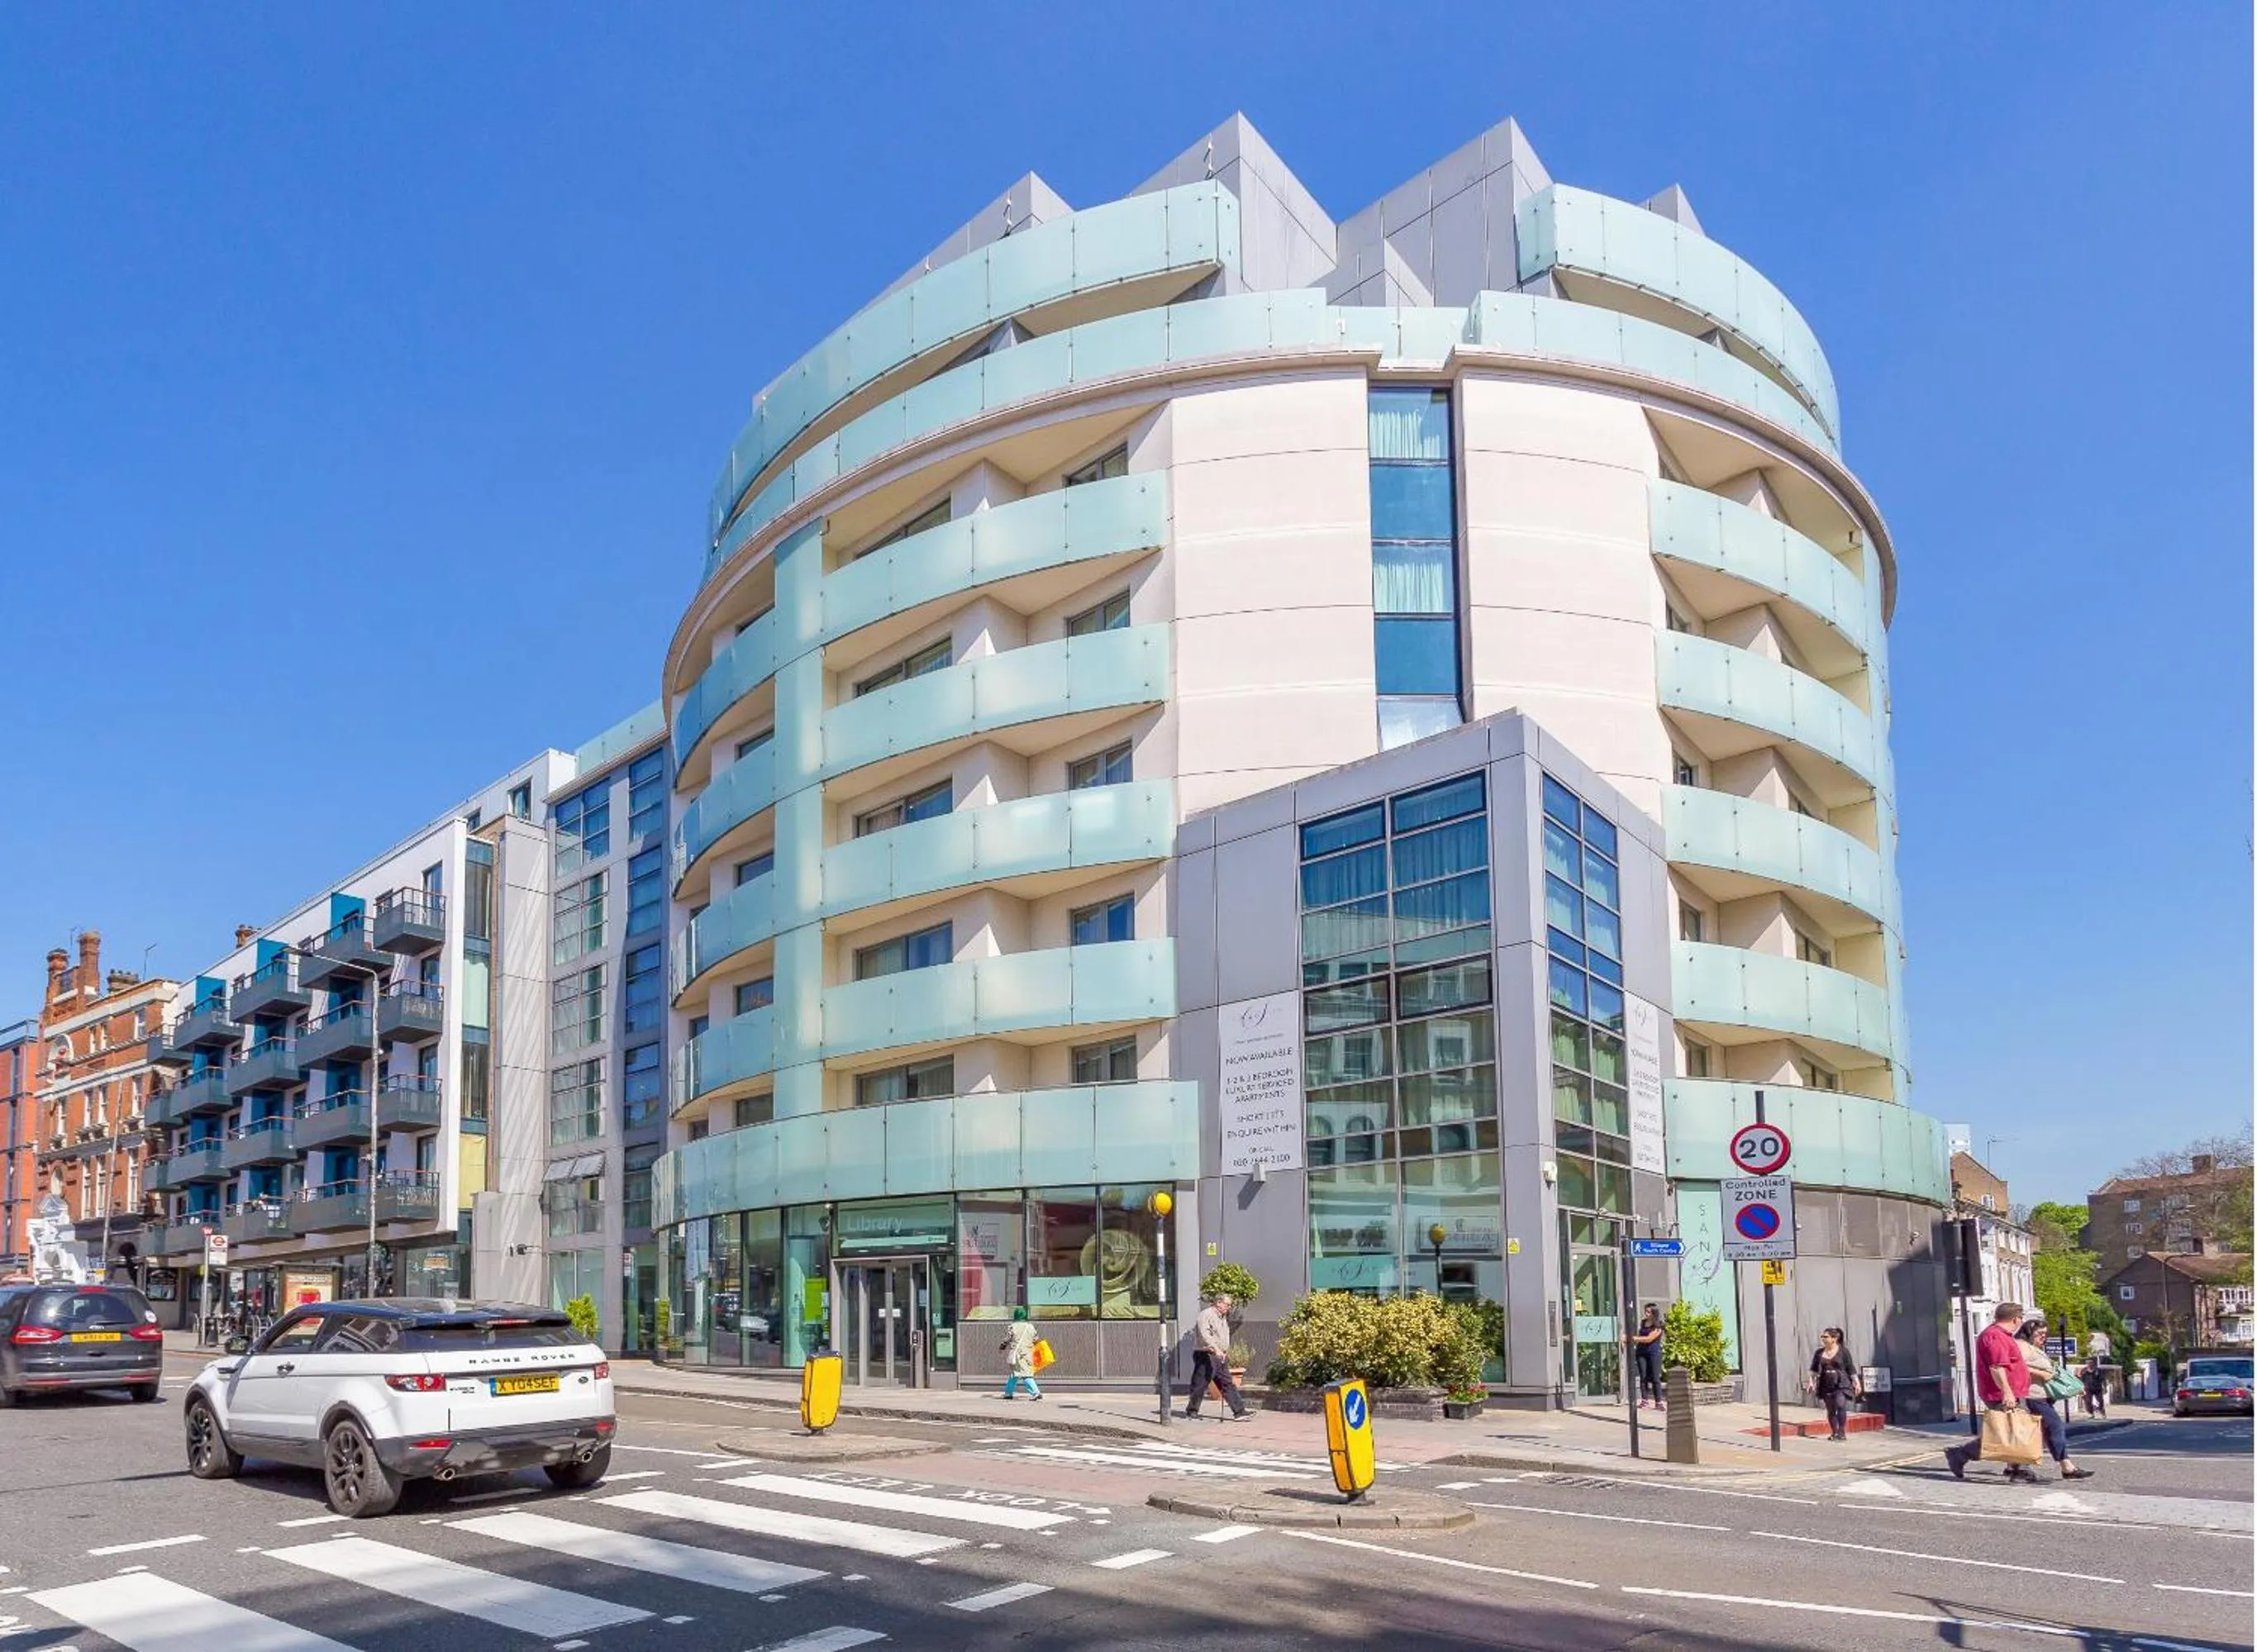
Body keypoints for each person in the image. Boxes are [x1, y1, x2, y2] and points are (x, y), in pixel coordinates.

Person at [1945, 1300, 2034, 1482]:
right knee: (2010, 1432)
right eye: (2021, 1318)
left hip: (2008, 1392)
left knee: (2009, 1432)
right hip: (2001, 1394)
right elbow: (1997, 1367)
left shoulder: (1998, 1335)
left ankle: (2016, 1468)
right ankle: (1961, 1455)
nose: (2021, 1322)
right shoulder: (1996, 1336)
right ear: (2015, 1319)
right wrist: (2007, 1392)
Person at [2017, 1315, 2094, 1481]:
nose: (2043, 1337)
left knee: (2039, 1432)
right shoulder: (2022, 1346)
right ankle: (2067, 1467)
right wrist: (2042, 1374)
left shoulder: (2034, 1348)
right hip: (2032, 1395)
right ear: (2028, 1332)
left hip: (2041, 1395)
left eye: (2045, 1334)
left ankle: (2015, 1466)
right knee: (2055, 1427)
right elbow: (2017, 1366)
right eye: (2040, 1333)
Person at [1181, 1292, 1250, 1421]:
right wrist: (1216, 1349)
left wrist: (1223, 1351)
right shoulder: (1206, 1315)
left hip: (1219, 1355)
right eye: (1227, 1304)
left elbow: (1222, 1336)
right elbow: (1205, 1335)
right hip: (1206, 1354)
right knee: (1200, 1384)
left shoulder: (1222, 1317)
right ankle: (1192, 1411)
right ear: (1219, 1303)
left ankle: (1239, 1411)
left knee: (1227, 1383)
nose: (1229, 1307)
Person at [1806, 1326, 1863, 1440]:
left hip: (1841, 1383)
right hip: (1826, 1383)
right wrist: (1811, 1382)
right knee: (1831, 1409)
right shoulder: (1819, 1353)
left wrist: (1856, 1382)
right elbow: (1814, 1370)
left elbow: (1850, 1368)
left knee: (1840, 1404)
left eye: (1826, 1336)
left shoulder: (1843, 1352)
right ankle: (1834, 1432)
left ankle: (1841, 1432)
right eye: (1822, 1336)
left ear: (1834, 1339)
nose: (1823, 1339)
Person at [999, 1306, 1043, 1401]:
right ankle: (1008, 1393)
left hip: (1017, 1354)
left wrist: (1002, 1346)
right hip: (1028, 1354)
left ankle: (1035, 1392)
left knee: (1025, 1374)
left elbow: (1007, 1339)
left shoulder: (1012, 1327)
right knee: (1015, 1374)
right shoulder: (1030, 1327)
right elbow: (1036, 1339)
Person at [1631, 1303, 1666, 1409]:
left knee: (1655, 1377)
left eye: (1649, 1312)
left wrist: (1633, 1338)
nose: (1646, 1314)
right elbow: (1640, 1335)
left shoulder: (1658, 1325)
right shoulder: (1643, 1322)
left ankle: (1658, 1402)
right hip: (1641, 1352)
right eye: (1646, 1311)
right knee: (1643, 1377)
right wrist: (1634, 1339)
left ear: (1654, 1313)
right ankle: (1644, 1400)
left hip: (1654, 1353)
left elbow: (1649, 1339)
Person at [2080, 1351, 2109, 1419]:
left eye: (2090, 1362)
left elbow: (2103, 1379)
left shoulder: (2098, 1370)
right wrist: (2081, 1388)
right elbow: (2081, 1380)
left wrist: (2105, 1387)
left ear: (2093, 1363)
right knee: (2088, 1401)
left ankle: (2102, 1411)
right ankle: (2091, 1413)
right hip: (2088, 1388)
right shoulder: (2084, 1371)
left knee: (2100, 1400)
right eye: (2087, 1363)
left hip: (2098, 1388)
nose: (2089, 1364)